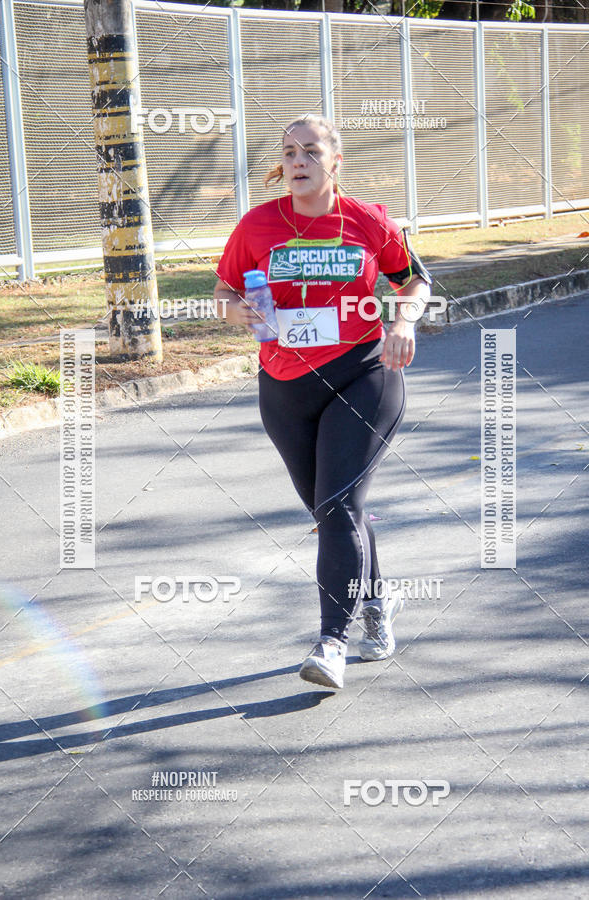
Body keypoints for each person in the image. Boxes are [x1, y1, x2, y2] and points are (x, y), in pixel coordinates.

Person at [213, 114, 431, 690]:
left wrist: (401, 322)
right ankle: (378, 601)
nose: (298, 161)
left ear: (335, 161)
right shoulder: (257, 225)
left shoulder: (366, 220)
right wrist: (240, 312)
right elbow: (224, 293)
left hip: (364, 374)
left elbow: (414, 281)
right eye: (289, 152)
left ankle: (331, 642)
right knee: (335, 511)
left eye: (310, 151)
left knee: (336, 505)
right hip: (284, 385)